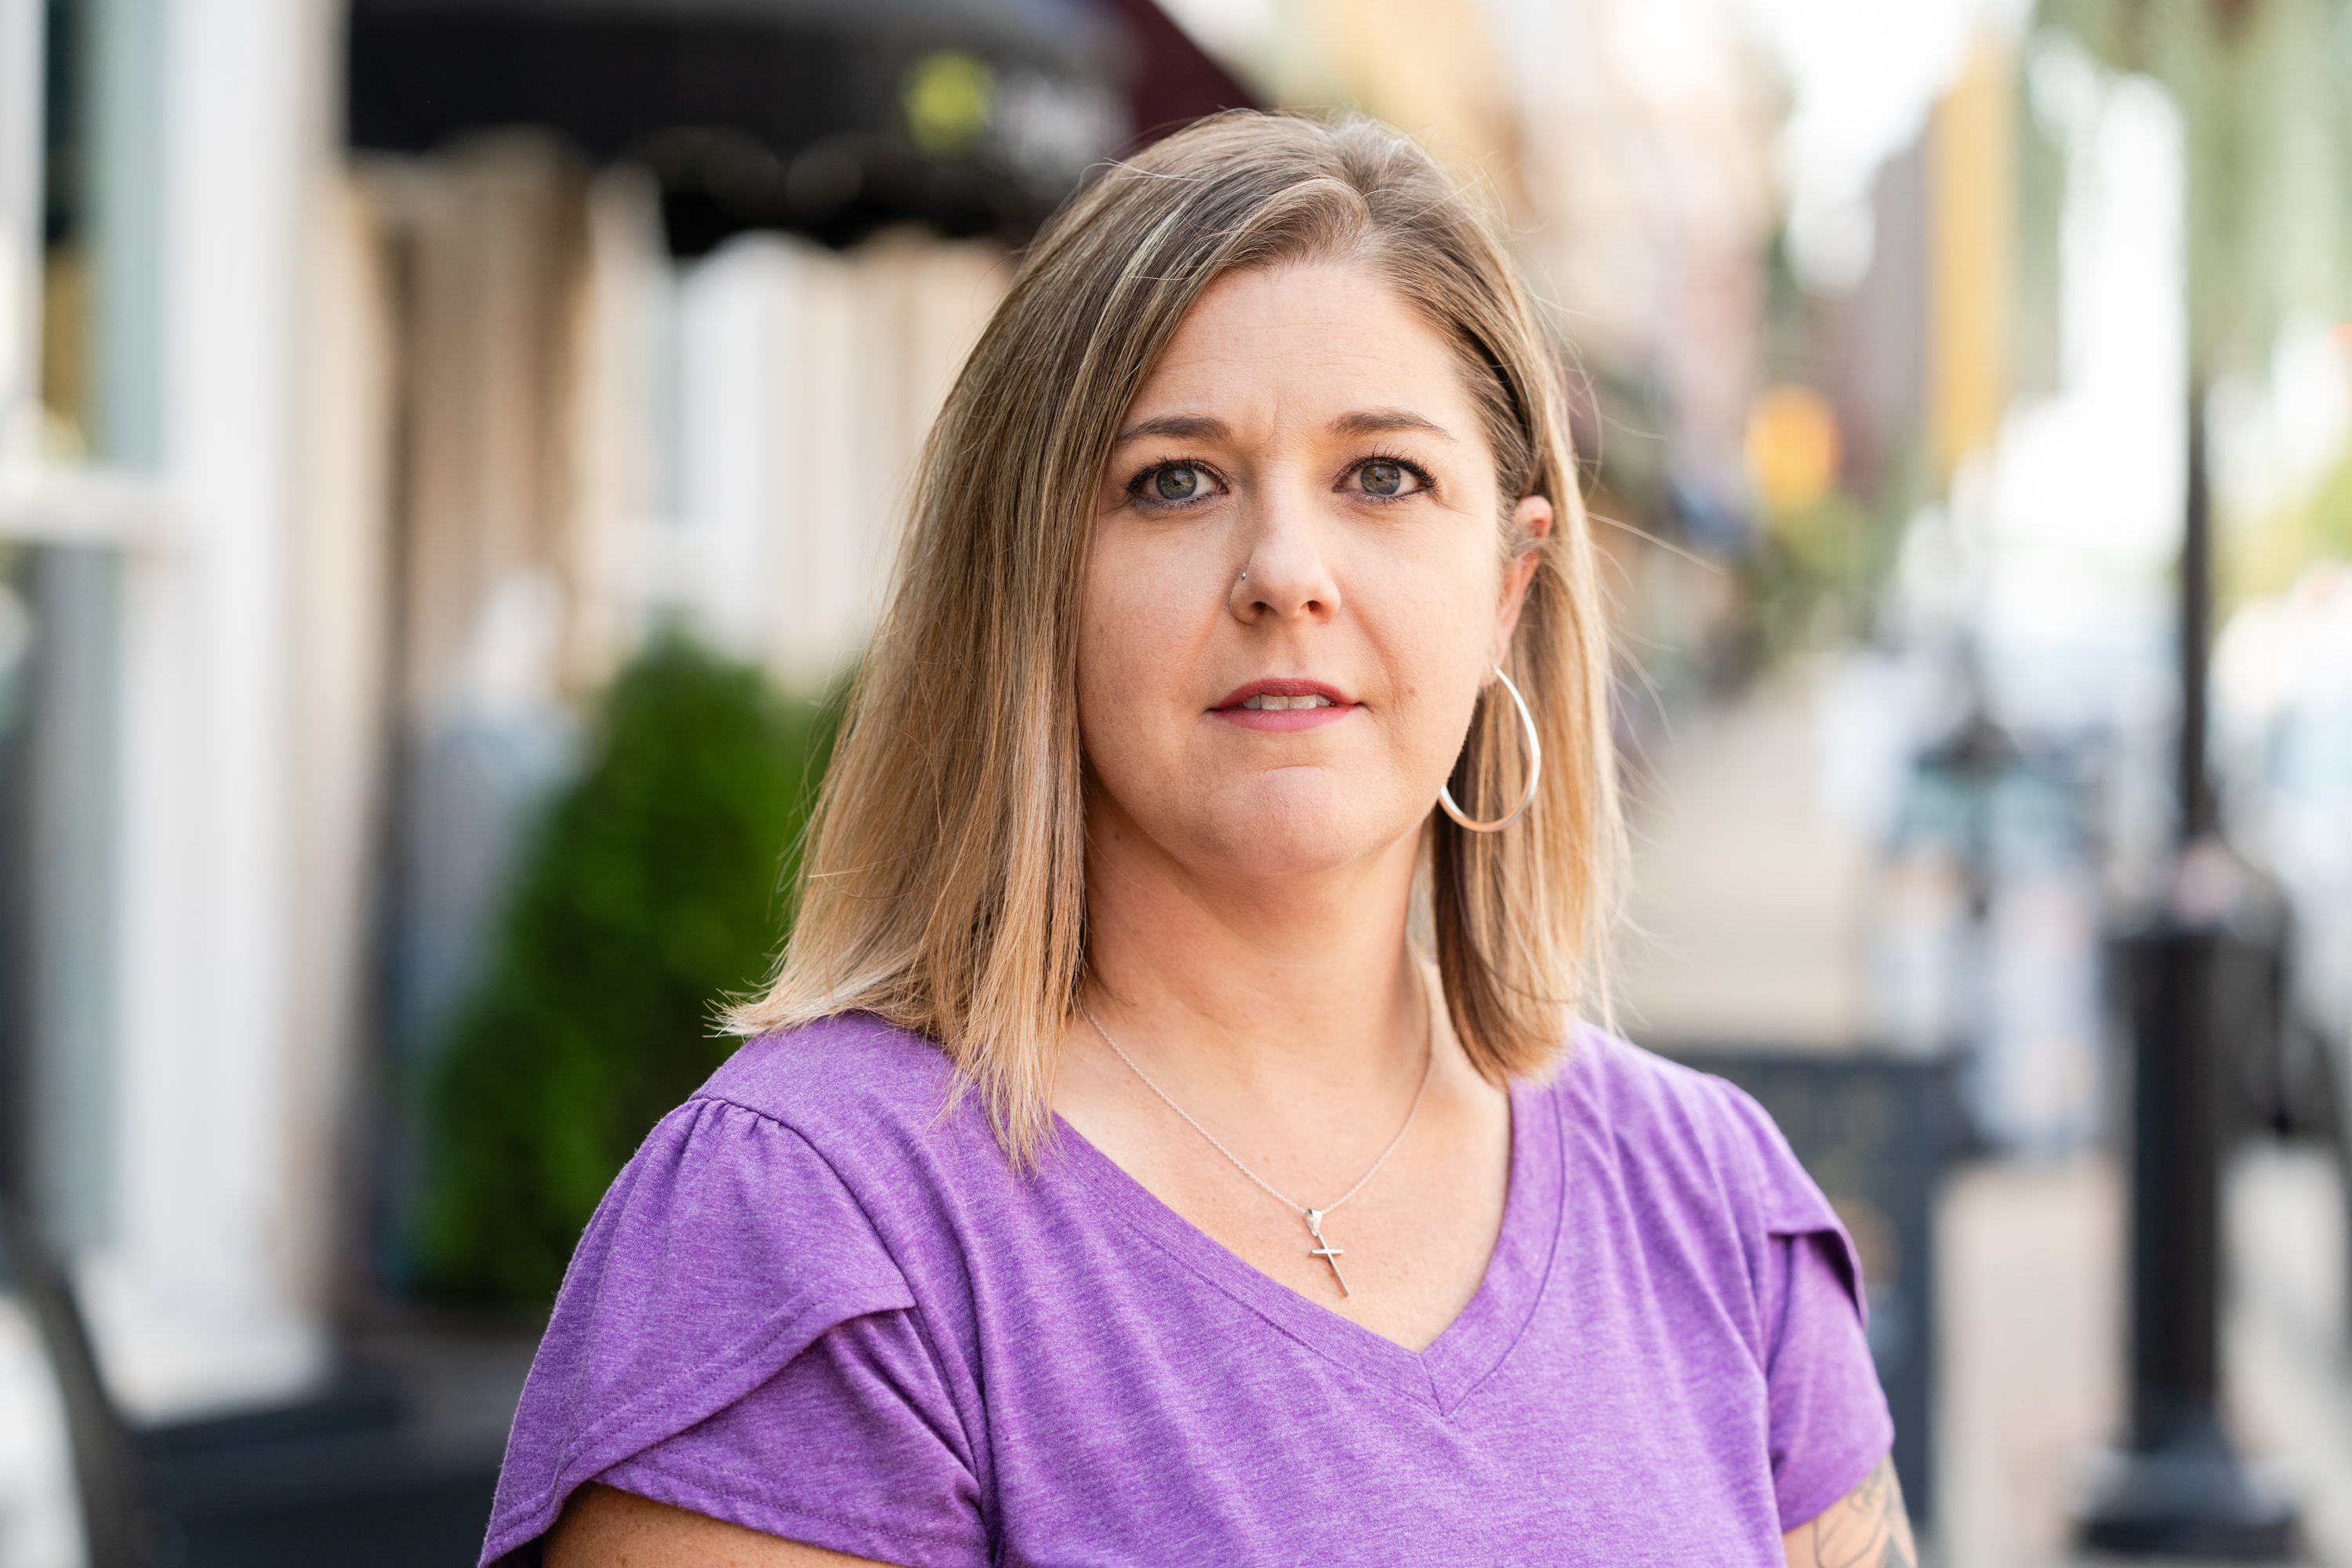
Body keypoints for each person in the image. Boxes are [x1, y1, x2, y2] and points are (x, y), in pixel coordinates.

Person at [480, 110, 1911, 1567]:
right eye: (1174, 480)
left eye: (1384, 478)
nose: (1286, 573)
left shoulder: (1717, 1206)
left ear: (1510, 588)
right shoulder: (814, 1227)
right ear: (1031, 585)